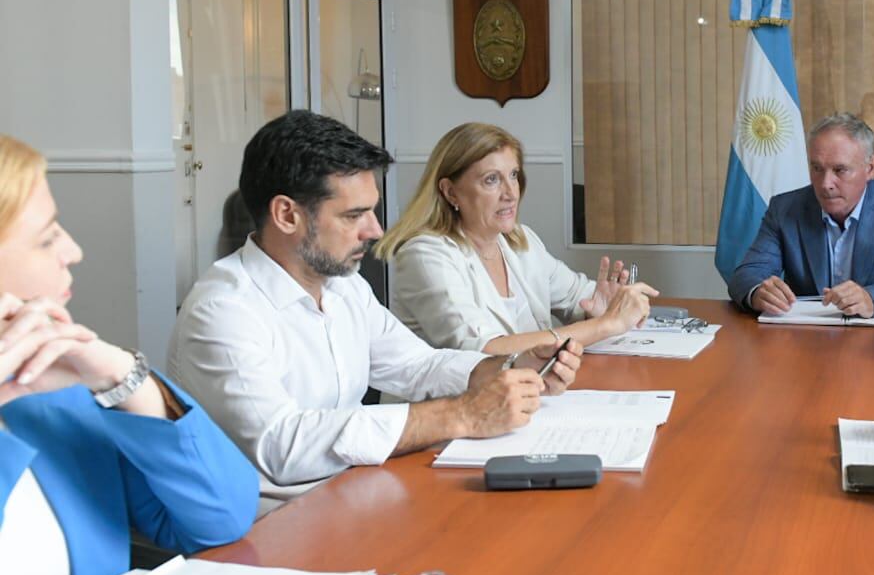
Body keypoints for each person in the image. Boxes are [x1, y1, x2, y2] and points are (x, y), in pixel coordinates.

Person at [168, 111, 582, 513]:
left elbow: (418, 365)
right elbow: (283, 446)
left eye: (372, 210)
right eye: (354, 215)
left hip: (355, 495)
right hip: (269, 530)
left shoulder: (344, 285)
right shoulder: (223, 310)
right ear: (286, 215)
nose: (376, 231)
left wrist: (509, 367)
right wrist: (460, 414)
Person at [0, 135, 256, 575]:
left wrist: (124, 379)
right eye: (47, 237)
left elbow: (221, 517)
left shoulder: (50, 394)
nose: (73, 251)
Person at [375, 122, 658, 353]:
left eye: (513, 175)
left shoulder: (518, 240)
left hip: (528, 399)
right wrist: (606, 325)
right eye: (491, 180)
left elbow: (575, 295)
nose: (511, 193)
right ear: (450, 192)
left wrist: (601, 307)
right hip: (448, 413)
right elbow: (485, 349)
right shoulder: (424, 255)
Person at [727, 112, 874, 318]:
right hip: (806, 339)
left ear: (870, 168)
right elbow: (747, 274)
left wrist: (872, 299)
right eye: (817, 168)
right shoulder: (785, 208)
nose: (825, 184)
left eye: (840, 170)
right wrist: (758, 292)